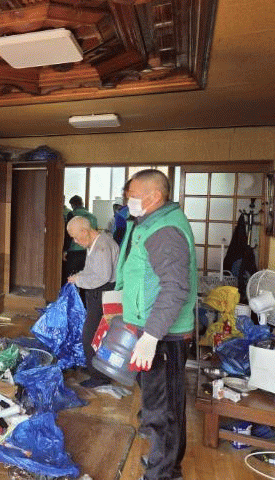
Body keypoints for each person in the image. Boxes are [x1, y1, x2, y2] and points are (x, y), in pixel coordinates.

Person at [115, 169, 197, 480]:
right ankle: (166, 465)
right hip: (154, 328)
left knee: (162, 411)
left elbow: (174, 287)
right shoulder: (149, 222)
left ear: (155, 197)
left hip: (163, 335)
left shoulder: (165, 231)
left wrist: (150, 337)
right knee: (164, 404)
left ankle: (162, 474)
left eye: (134, 196)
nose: (129, 202)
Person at [66, 216, 119, 388]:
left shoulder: (103, 246)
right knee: (93, 335)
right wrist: (78, 276)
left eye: (75, 237)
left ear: (84, 231)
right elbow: (92, 271)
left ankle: (99, 377)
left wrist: (79, 280)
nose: (75, 241)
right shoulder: (94, 243)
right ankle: (94, 368)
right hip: (97, 295)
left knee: (92, 336)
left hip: (103, 294)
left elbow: (102, 277)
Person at [62, 195, 98, 283]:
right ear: (82, 203)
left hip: (74, 251)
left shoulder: (72, 215)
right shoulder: (92, 216)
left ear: (72, 205)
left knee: (71, 277)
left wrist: (64, 250)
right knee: (85, 276)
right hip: (88, 251)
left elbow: (68, 236)